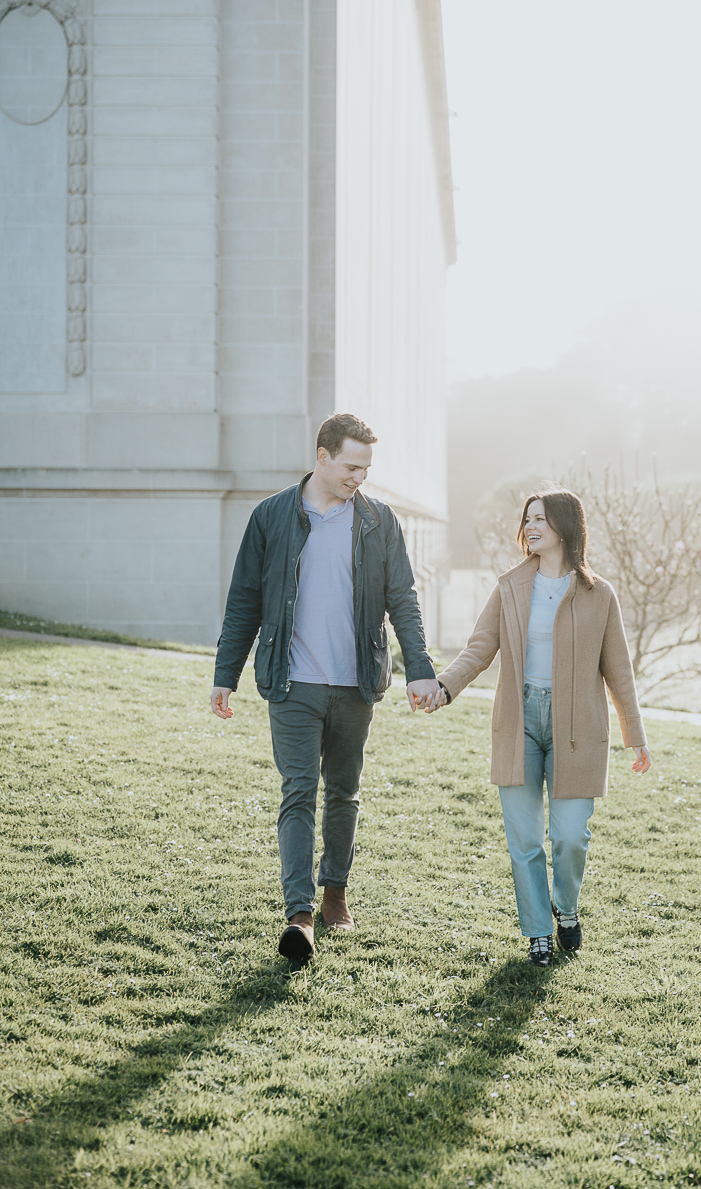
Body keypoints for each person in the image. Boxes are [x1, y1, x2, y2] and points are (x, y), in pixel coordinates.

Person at [211, 413, 441, 967]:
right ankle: (299, 914)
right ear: (322, 455)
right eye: (351, 466)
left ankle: (335, 890)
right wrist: (226, 673)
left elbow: (402, 598)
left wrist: (420, 668)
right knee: (297, 790)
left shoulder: (378, 521)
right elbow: (245, 598)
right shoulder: (271, 516)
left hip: (355, 684)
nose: (359, 477)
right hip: (292, 683)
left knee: (343, 792)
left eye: (366, 468)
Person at [427, 489, 651, 966]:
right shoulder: (509, 586)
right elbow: (478, 648)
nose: (530, 527)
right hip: (518, 720)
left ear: (566, 527)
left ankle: (565, 908)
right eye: (527, 519)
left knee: (571, 837)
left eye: (541, 520)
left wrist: (636, 735)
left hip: (578, 727)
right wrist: (445, 687)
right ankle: (537, 932)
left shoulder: (599, 594)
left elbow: (619, 671)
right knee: (525, 839)